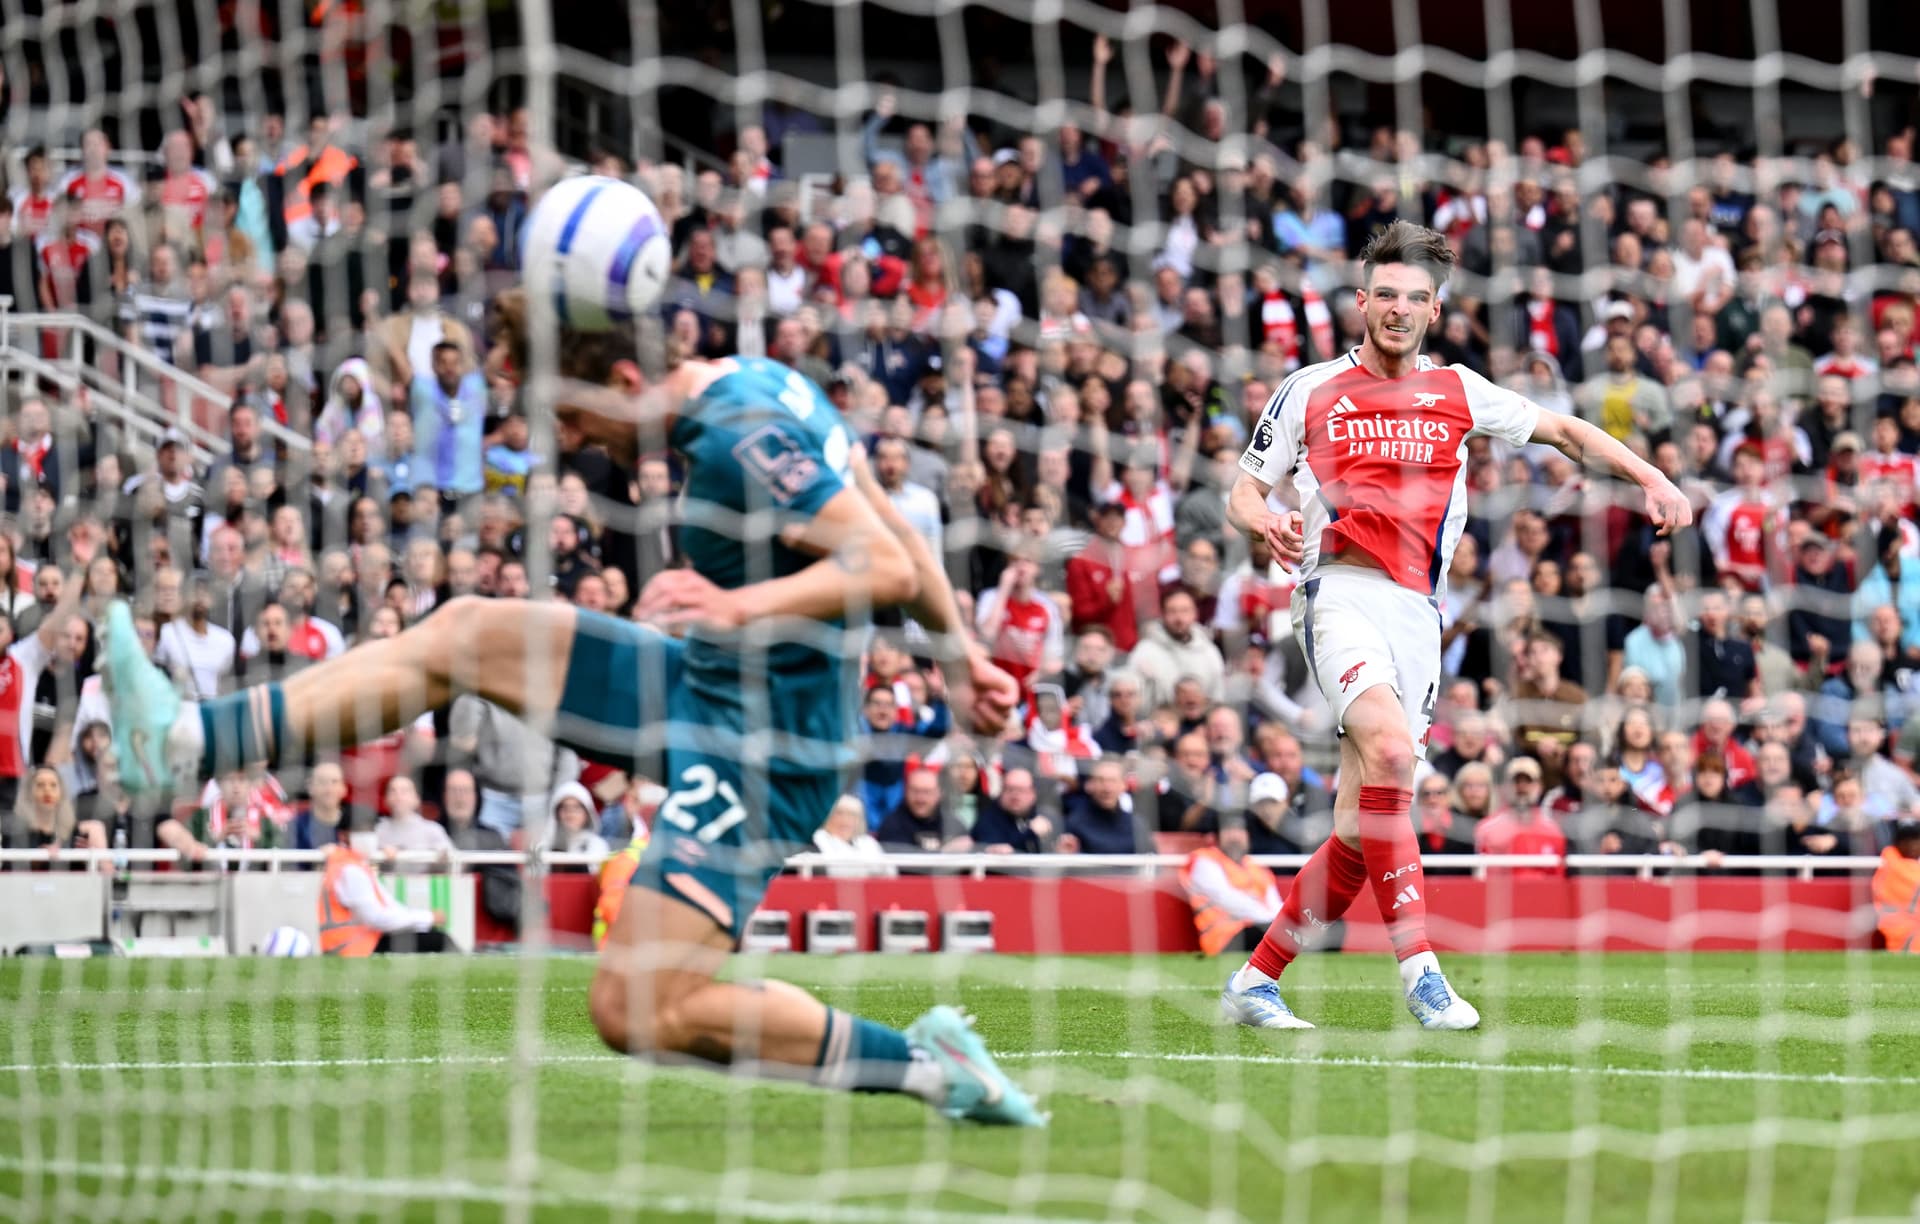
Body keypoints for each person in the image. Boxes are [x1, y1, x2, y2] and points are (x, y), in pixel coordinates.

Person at [102, 294, 1039, 1125]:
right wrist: (960, 661)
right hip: (703, 687)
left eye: (573, 412)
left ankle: (924, 1066)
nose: (568, 438)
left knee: (637, 1011)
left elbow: (879, 567)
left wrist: (736, 606)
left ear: (628, 378)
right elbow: (899, 540)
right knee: (467, 631)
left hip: (770, 747)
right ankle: (188, 740)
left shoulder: (738, 434)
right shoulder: (761, 383)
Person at [1218, 220, 1692, 1032]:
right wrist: (1263, 522)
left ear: (1435, 310)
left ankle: (1255, 982)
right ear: (1361, 301)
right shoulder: (1308, 389)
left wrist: (1653, 476)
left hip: (1418, 615)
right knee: (1395, 758)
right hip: (1337, 592)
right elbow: (1243, 490)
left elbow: (1570, 435)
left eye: (1415, 299)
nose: (1397, 311)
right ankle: (1424, 976)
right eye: (1385, 296)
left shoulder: (1461, 391)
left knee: (1363, 825)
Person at [316, 828, 455, 954]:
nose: (368, 837)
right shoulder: (350, 870)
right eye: (362, 830)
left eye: (371, 830)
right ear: (343, 835)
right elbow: (377, 918)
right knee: (440, 941)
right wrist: (428, 917)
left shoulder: (357, 865)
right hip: (355, 946)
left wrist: (424, 920)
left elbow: (390, 907)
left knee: (431, 934)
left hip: (362, 941)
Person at [1178, 818, 1282, 956]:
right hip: (1225, 940)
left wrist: (1285, 923)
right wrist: (1277, 924)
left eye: (1240, 829)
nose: (1234, 836)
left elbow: (1275, 904)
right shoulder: (1203, 861)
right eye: (1228, 829)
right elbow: (1227, 899)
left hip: (1260, 929)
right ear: (1217, 835)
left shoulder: (1258, 868)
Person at [1872, 819, 1920, 953]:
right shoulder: (1891, 866)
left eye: (1916, 840)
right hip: (1902, 926)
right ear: (1897, 843)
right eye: (1907, 841)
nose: (1912, 846)